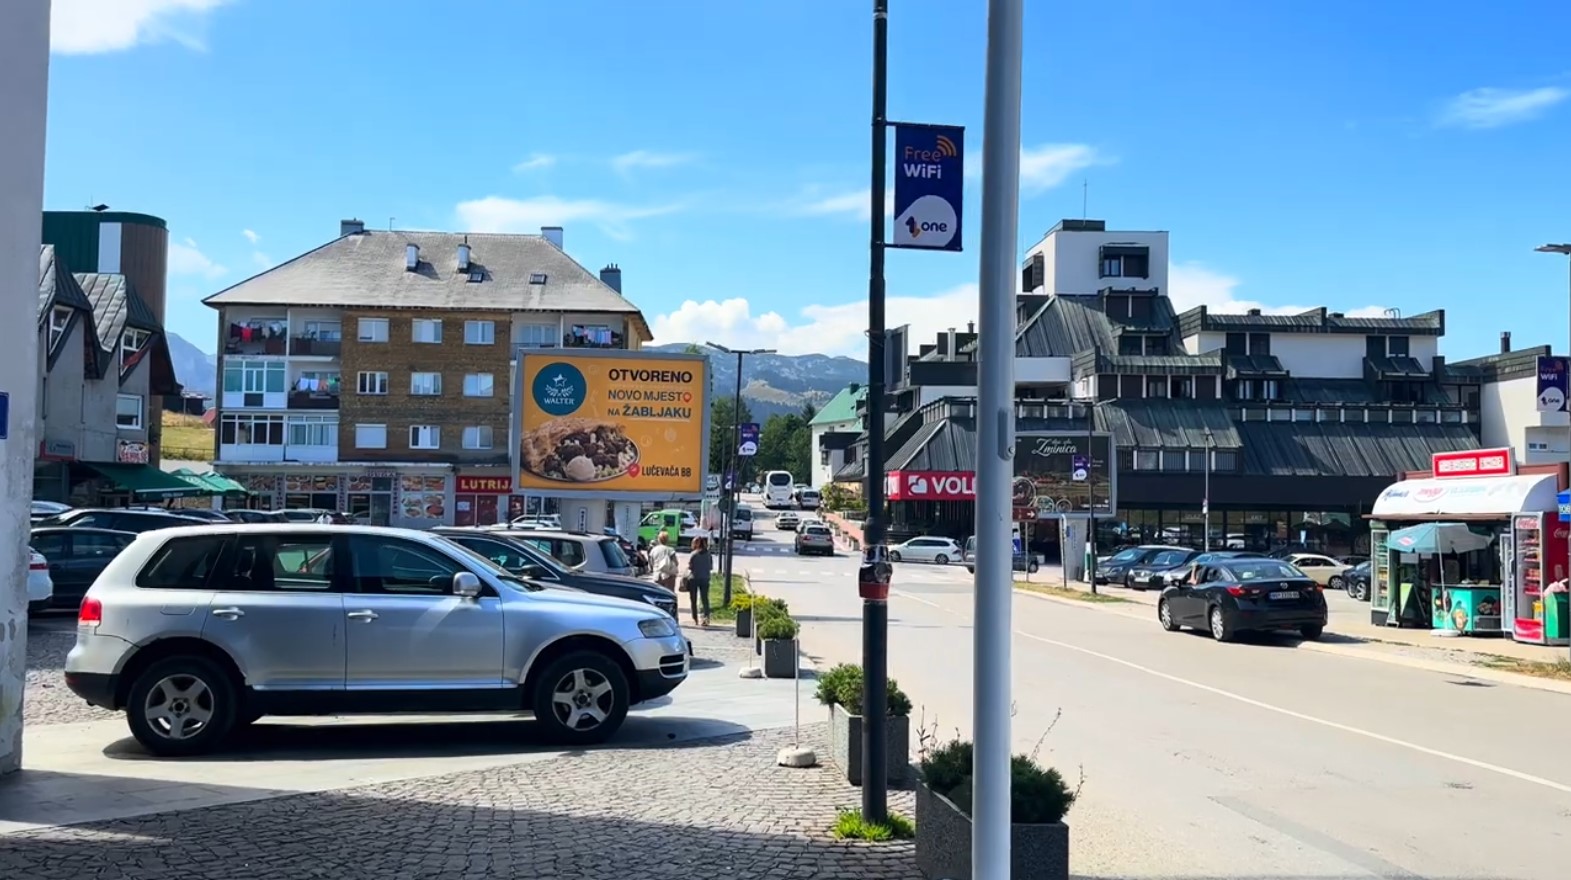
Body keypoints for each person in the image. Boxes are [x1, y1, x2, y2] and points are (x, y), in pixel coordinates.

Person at [684, 536, 713, 626]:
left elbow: (690, 566)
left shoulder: (693, 554)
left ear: (696, 544)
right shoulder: (708, 554)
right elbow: (710, 567)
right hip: (705, 578)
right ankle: (706, 618)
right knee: (705, 599)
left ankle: (695, 618)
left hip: (694, 578)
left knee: (693, 599)